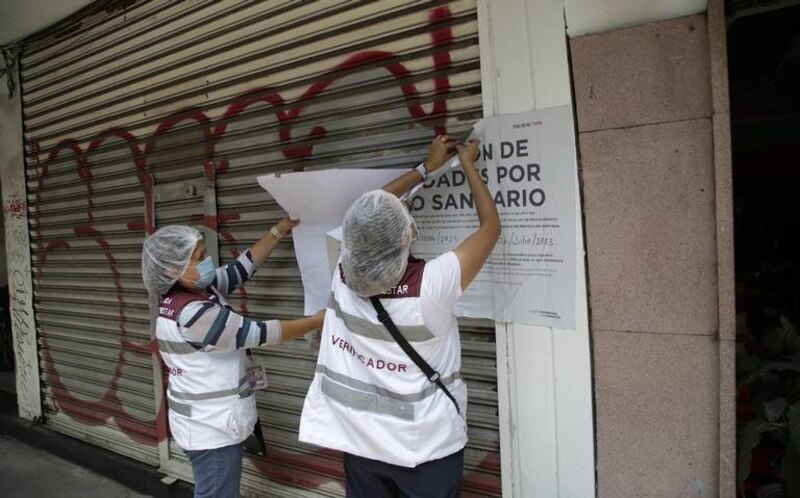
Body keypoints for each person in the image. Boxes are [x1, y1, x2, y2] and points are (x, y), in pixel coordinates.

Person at [299, 136, 501, 497]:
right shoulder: (430, 287)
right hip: (425, 450)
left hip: (361, 444)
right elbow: (490, 229)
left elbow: (365, 212)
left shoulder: (342, 273)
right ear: (407, 236)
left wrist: (426, 168)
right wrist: (468, 162)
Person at [141, 220, 324, 498]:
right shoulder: (193, 314)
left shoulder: (191, 294)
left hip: (204, 422)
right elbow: (260, 333)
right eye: (199, 257)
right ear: (171, 270)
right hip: (210, 428)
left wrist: (279, 230)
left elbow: (241, 268)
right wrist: (316, 321)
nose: (208, 262)